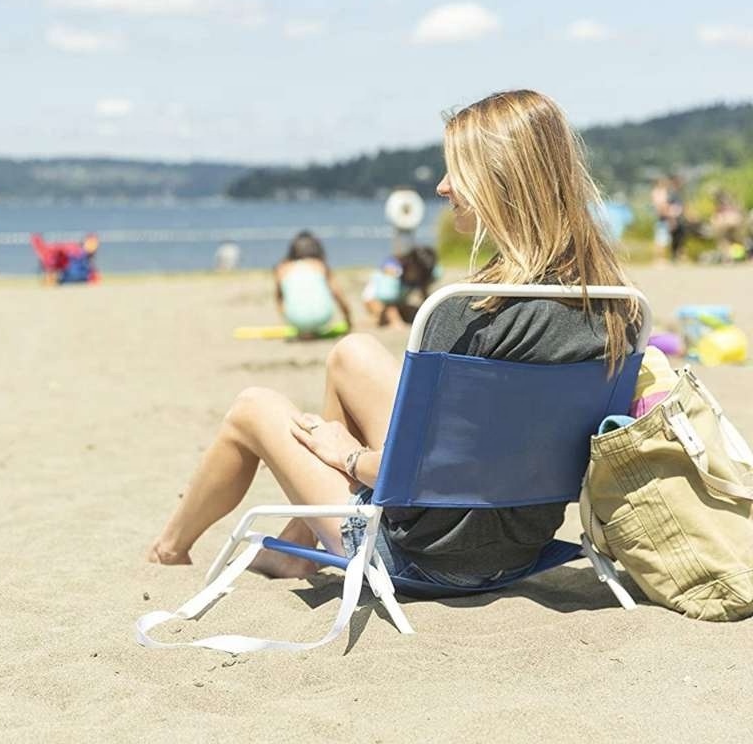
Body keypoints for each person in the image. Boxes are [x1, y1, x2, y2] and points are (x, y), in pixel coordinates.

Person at [148, 90, 640, 593]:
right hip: (522, 547)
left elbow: (419, 478)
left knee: (253, 407)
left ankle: (169, 548)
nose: (445, 187)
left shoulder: (470, 313)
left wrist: (346, 456)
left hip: (422, 557)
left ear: (501, 182)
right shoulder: (616, 307)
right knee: (350, 353)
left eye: (457, 172)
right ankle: (300, 542)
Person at [274, 231, 352, 337]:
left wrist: (287, 319)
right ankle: (310, 329)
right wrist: (348, 321)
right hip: (323, 317)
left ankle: (303, 329)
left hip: (295, 319)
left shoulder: (282, 268)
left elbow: (279, 299)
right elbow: (338, 295)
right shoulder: (320, 265)